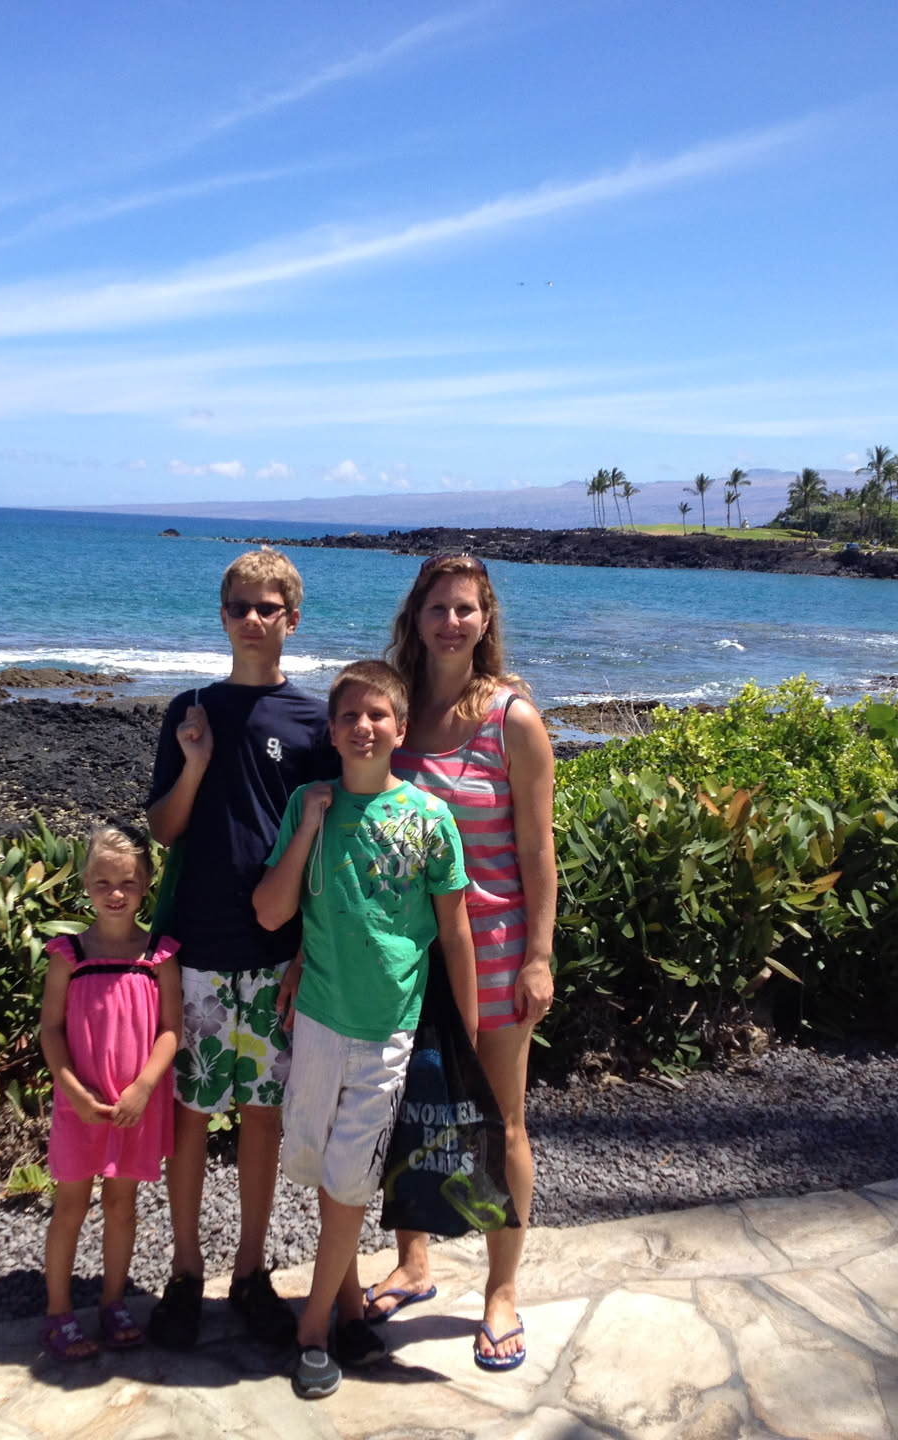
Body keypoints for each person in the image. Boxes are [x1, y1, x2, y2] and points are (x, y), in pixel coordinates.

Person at [253, 659, 478, 1401]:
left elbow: (455, 934)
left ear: (400, 728)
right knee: (322, 1171)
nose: (363, 727)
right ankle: (349, 1310)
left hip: (388, 1030)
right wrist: (310, 824)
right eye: (349, 715)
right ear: (331, 730)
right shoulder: (307, 804)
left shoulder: (430, 819)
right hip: (318, 1019)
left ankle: (313, 1329)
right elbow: (272, 912)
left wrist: (468, 1036)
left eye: (378, 715)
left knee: (349, 1181)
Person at [144, 546, 340, 1350]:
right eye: (239, 608)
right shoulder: (190, 710)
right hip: (195, 947)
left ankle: (251, 1270)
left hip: (274, 954)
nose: (253, 620)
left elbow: (327, 848)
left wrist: (306, 951)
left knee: (261, 1118)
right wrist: (194, 763)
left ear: (292, 619)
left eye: (268, 608)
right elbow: (163, 829)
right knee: (190, 1117)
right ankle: (186, 1271)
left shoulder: (314, 723)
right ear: (222, 617)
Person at [367, 552, 557, 1373]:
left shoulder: (512, 718)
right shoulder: (397, 711)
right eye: (437, 607)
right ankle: (413, 1263)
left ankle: (501, 1292)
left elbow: (537, 851)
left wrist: (539, 957)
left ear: (486, 620)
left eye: (465, 609)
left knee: (500, 1120)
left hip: (498, 950)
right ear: (415, 616)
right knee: (405, 1111)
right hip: (407, 955)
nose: (451, 622)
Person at [37, 824, 184, 1359]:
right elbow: (51, 1029)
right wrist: (72, 1091)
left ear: (145, 885)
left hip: (134, 1108)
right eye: (103, 882)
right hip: (80, 1106)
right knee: (69, 1207)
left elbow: (171, 1030)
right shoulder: (69, 955)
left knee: (122, 1206)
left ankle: (113, 1301)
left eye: (127, 882)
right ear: (85, 885)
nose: (115, 893)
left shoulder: (159, 956)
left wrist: (144, 1087)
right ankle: (58, 1313)